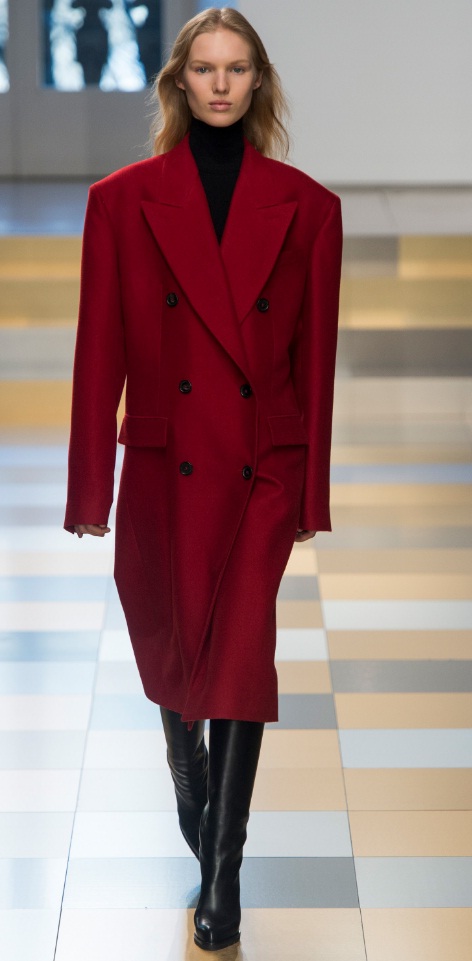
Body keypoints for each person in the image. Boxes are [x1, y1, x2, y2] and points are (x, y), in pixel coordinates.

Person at [64, 6, 342, 952]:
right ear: (179, 81)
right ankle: (189, 771)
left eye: (238, 68)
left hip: (262, 462)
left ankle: (222, 869)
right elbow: (99, 350)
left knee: (240, 653)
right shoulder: (121, 201)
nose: (221, 84)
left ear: (258, 81)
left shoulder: (310, 209)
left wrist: (310, 493)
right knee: (177, 650)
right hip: (165, 462)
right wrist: (88, 489)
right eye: (205, 68)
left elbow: (314, 360)